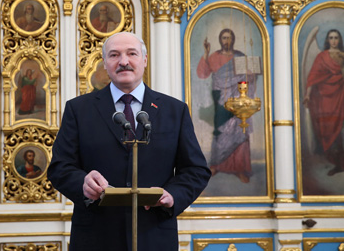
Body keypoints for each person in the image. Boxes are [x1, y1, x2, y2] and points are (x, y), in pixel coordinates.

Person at [48, 32, 211, 250]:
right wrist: (83, 183)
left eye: (131, 54)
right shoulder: (79, 110)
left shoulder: (174, 110)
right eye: (114, 55)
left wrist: (172, 195)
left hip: (154, 235)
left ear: (144, 60)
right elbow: (60, 167)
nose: (123, 61)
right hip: (96, 238)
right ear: (105, 64)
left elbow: (196, 170)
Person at [196, 28, 256, 183]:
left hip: (238, 99)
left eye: (229, 38)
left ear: (233, 40)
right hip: (221, 101)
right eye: (224, 38)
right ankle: (217, 165)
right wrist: (206, 54)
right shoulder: (214, 57)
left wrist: (251, 73)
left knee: (240, 131)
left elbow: (248, 77)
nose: (226, 41)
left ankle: (240, 168)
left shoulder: (240, 57)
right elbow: (202, 74)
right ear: (220, 40)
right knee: (221, 131)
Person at [303, 29, 344, 176]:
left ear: (339, 40)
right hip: (324, 99)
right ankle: (336, 162)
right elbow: (313, 77)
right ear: (328, 40)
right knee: (328, 129)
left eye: (336, 38)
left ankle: (341, 163)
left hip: (341, 97)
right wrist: (307, 95)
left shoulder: (342, 56)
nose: (333, 40)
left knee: (340, 131)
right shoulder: (322, 57)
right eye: (331, 37)